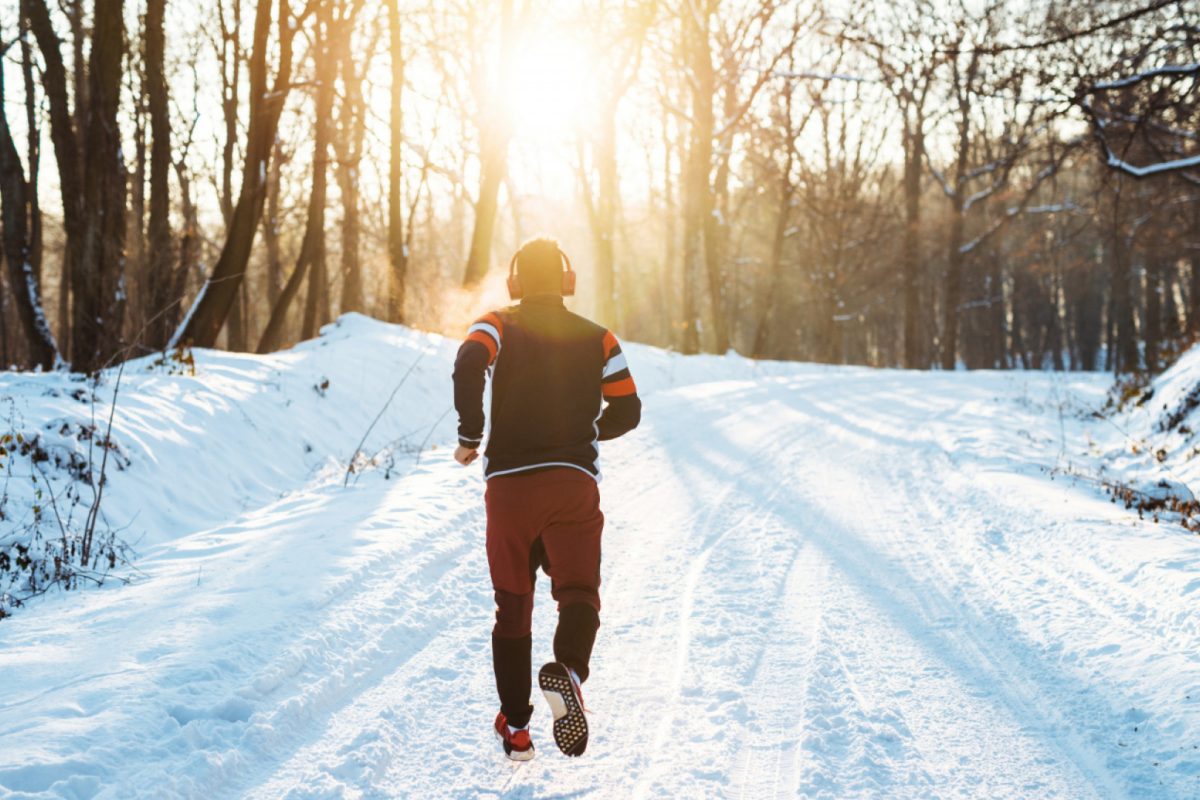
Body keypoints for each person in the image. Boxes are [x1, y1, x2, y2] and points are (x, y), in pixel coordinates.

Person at [452, 236, 641, 760]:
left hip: (509, 490)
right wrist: (582, 435)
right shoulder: (599, 338)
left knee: (512, 607)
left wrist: (471, 435)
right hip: (570, 485)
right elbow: (629, 410)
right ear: (565, 282)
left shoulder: (496, 322)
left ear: (515, 282)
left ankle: (516, 731)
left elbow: (469, 363)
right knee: (579, 591)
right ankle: (571, 674)